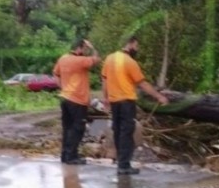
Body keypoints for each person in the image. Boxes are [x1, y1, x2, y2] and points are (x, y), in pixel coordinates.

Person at [101, 35, 169, 175]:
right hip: (126, 101)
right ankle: (124, 166)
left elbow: (104, 80)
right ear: (130, 44)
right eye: (136, 46)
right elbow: (142, 83)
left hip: (114, 101)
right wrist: (158, 96)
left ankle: (121, 162)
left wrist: (106, 98)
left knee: (118, 131)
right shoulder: (130, 62)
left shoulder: (109, 59)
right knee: (126, 132)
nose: (136, 49)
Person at [52, 38, 100, 165]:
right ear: (80, 48)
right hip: (78, 100)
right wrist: (92, 47)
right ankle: (72, 156)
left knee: (67, 128)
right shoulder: (80, 60)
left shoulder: (63, 59)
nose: (86, 50)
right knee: (78, 128)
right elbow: (96, 59)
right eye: (84, 48)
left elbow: (55, 74)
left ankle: (65, 155)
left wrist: (62, 87)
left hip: (65, 98)